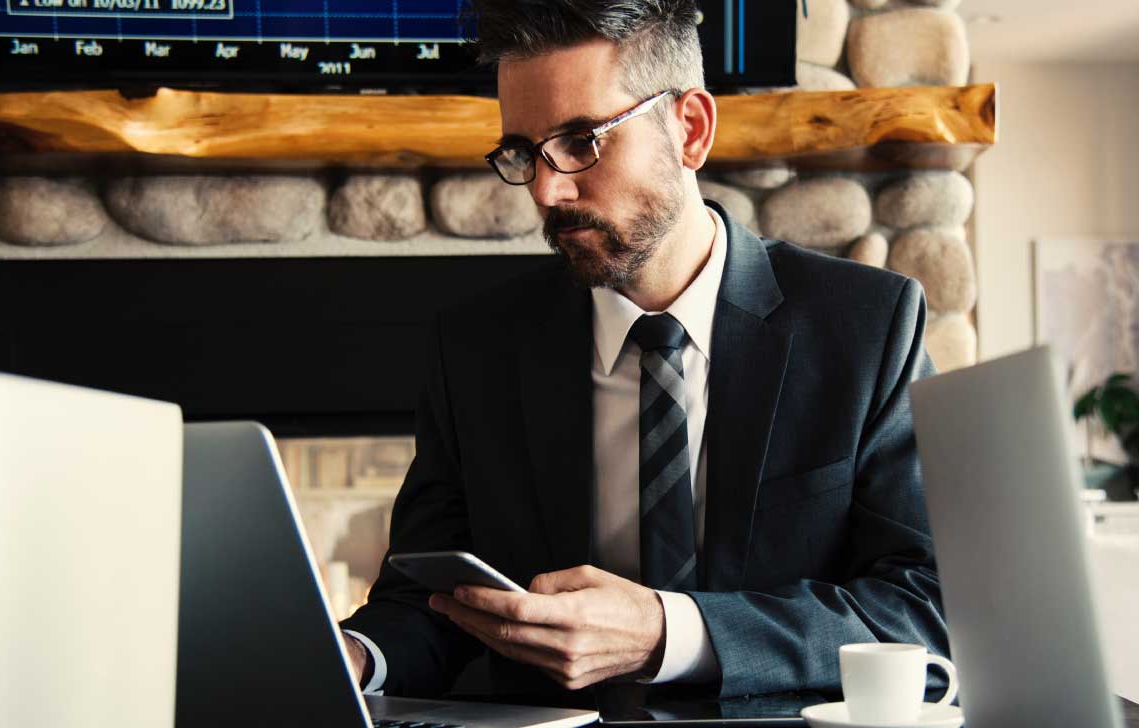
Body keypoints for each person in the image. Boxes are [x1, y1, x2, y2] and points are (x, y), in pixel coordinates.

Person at [340, 0, 947, 703]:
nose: (546, 189)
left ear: (690, 129)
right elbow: (428, 603)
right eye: (522, 152)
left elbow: (924, 606)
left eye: (581, 141)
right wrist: (354, 654)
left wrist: (671, 633)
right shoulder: (473, 349)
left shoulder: (866, 327)